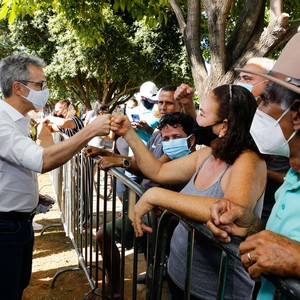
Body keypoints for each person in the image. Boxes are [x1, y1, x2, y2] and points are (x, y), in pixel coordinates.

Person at [110, 84, 267, 299]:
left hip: (213, 290)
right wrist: (128, 133)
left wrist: (158, 196)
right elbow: (158, 170)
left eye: (202, 114)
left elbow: (230, 213)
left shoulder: (249, 161)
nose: (196, 120)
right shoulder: (210, 154)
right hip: (181, 275)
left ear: (224, 126)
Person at [0, 54, 111, 299]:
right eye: (40, 85)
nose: (45, 90)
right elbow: (42, 160)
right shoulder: (2, 122)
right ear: (18, 87)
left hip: (18, 223)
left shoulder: (17, 121)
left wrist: (29, 195)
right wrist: (90, 130)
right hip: (5, 227)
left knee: (16, 286)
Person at [207, 33, 300, 300]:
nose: (257, 108)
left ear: (297, 115)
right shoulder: (294, 175)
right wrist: (252, 227)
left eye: (266, 100)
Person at [84, 111, 196, 300]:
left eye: (176, 137)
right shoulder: (168, 158)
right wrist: (109, 155)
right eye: (166, 138)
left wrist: (168, 209)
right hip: (151, 221)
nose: (170, 143)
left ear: (191, 140)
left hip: (177, 232)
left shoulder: (199, 161)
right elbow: (150, 169)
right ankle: (121, 286)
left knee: (174, 276)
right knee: (114, 238)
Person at [237, 57, 290, 229]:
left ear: (268, 84)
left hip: (271, 211)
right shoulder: (242, 115)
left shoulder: (281, 122)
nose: (241, 83)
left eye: (248, 78)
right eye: (241, 77)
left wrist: (254, 168)